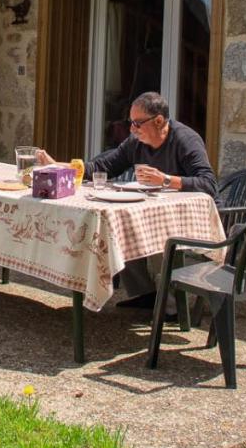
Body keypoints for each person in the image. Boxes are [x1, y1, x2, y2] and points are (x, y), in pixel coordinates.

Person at [37, 91, 216, 311]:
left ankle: (172, 307)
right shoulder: (136, 143)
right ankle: (146, 295)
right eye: (130, 123)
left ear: (159, 121)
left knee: (162, 237)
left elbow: (208, 183)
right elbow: (104, 166)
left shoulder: (185, 140)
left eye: (138, 123)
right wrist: (62, 168)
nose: (132, 129)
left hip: (183, 217)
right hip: (149, 209)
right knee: (121, 230)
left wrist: (166, 180)